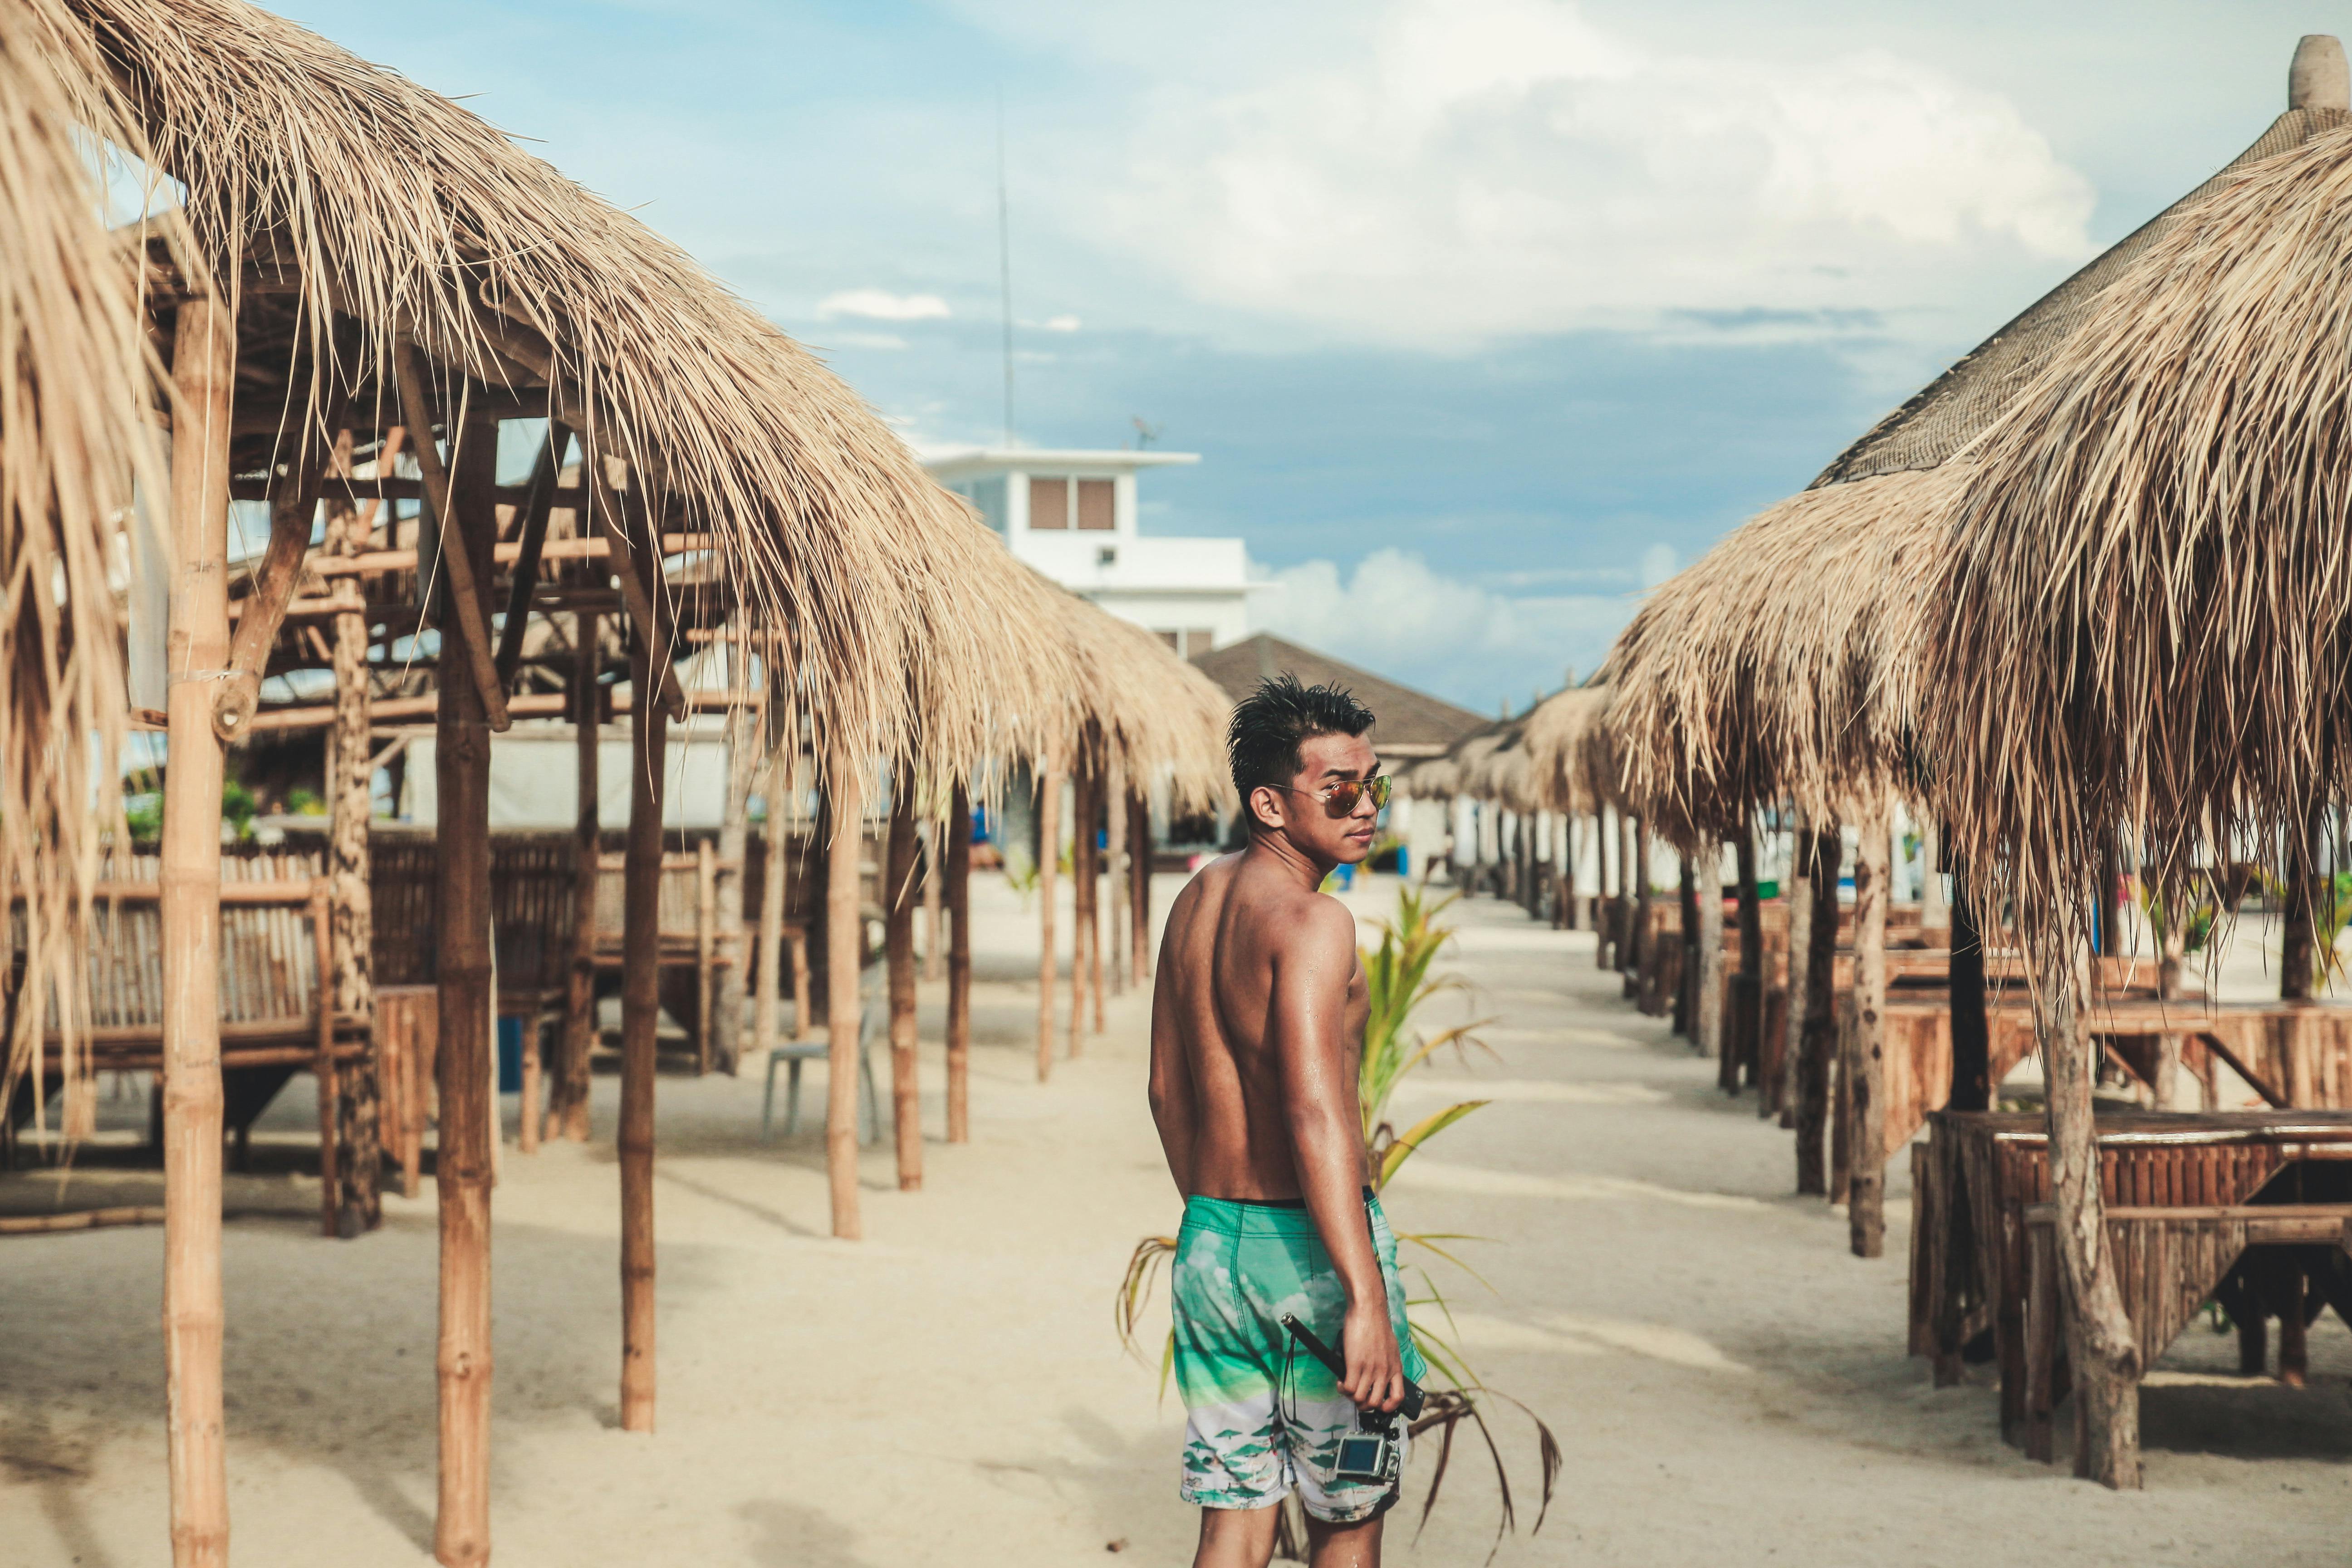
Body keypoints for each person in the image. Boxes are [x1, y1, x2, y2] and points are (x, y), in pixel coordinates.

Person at [1150, 676, 1425, 1568]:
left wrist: (1221, 1224)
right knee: (1345, 1520)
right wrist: (1366, 1298)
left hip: (1212, 1245)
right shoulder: (1315, 921)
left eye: (1373, 782)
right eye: (1339, 788)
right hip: (1315, 1253)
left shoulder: (1195, 903)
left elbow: (1164, 1090)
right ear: (1269, 803)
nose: (1366, 805)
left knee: (1235, 1519)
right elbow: (1313, 1110)